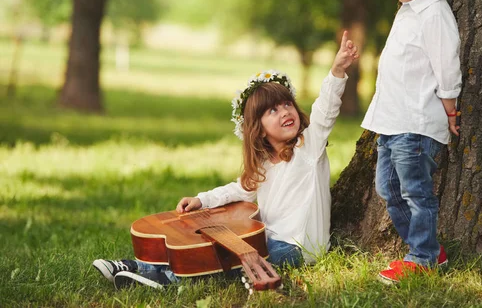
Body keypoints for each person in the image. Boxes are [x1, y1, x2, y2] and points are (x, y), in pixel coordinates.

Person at [92, 31, 359, 289]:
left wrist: (337, 71)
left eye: (287, 104)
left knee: (227, 261)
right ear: (258, 129)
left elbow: (325, 109)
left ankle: (167, 281)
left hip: (299, 249)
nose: (285, 113)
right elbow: (237, 190)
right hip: (264, 238)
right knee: (216, 247)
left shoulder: (308, 148)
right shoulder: (264, 165)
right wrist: (202, 200)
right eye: (272, 111)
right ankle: (140, 267)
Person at [360, 0, 462, 283]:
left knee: (416, 193)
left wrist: (449, 105)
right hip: (392, 120)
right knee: (387, 189)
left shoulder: (435, 15)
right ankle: (429, 249)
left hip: (416, 125)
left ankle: (423, 256)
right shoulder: (409, 9)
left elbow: (447, 65)